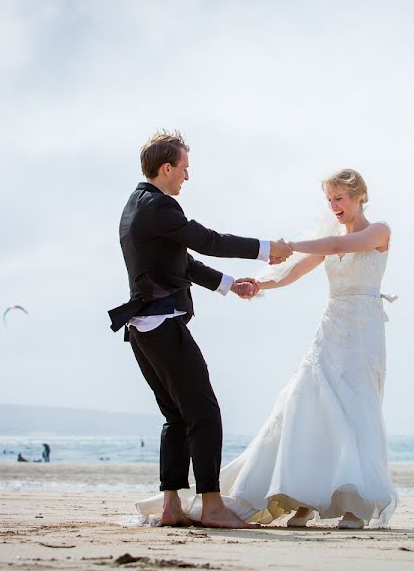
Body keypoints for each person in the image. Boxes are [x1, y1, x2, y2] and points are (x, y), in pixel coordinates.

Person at [136, 168, 397, 529]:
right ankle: (304, 496)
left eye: (340, 198)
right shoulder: (327, 238)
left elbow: (336, 247)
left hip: (363, 332)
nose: (334, 206)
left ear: (359, 197)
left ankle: (354, 503)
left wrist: (287, 245)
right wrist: (255, 285)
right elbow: (294, 273)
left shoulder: (378, 231)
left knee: (356, 406)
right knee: (308, 404)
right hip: (332, 329)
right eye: (330, 199)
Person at [109, 130, 292, 529]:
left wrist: (229, 284)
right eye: (184, 169)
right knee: (204, 412)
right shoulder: (161, 208)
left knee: (176, 416)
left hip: (142, 329)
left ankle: (172, 506)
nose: (187, 178)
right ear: (166, 167)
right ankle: (211, 505)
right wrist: (266, 248)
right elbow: (207, 240)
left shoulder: (136, 205)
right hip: (161, 323)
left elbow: (182, 261)